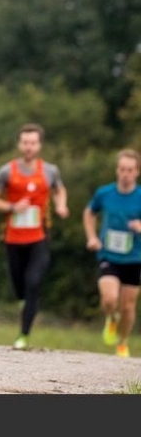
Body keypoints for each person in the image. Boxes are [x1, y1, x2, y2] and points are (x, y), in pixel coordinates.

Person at [0, 122, 69, 350]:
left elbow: (60, 190)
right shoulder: (7, 171)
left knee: (33, 283)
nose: (29, 147)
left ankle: (23, 334)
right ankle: (24, 303)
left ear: (39, 145)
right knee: (18, 285)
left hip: (40, 236)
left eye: (33, 143)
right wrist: (11, 206)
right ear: (19, 144)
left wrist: (61, 205)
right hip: (13, 238)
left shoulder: (50, 171)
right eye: (25, 142)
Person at [82, 148, 141, 358]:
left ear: (137, 172)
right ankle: (110, 318)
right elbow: (89, 213)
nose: (125, 174)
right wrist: (92, 237)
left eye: (130, 170)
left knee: (127, 306)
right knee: (109, 298)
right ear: (117, 170)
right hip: (109, 255)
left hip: (134, 258)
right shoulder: (105, 193)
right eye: (122, 169)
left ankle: (123, 342)